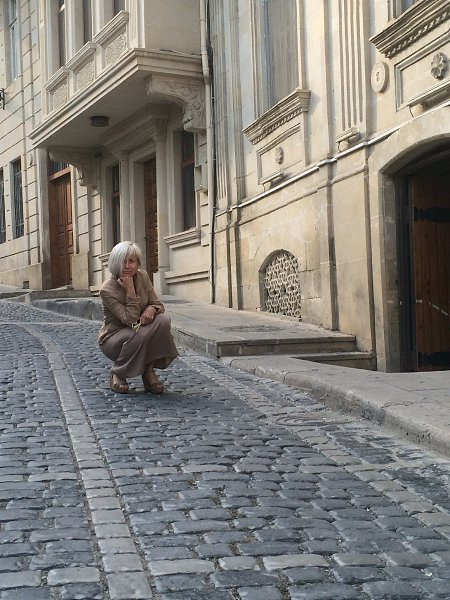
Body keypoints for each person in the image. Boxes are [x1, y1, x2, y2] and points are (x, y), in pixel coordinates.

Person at [98, 241, 179, 394]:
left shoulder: (142, 276)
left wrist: (151, 309)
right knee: (142, 334)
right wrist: (130, 290)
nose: (127, 266)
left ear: (138, 263)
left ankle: (148, 370)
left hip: (139, 329)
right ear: (115, 262)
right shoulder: (107, 290)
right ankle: (118, 373)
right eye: (123, 261)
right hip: (115, 337)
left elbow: (158, 304)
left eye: (132, 261)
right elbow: (130, 321)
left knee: (163, 321)